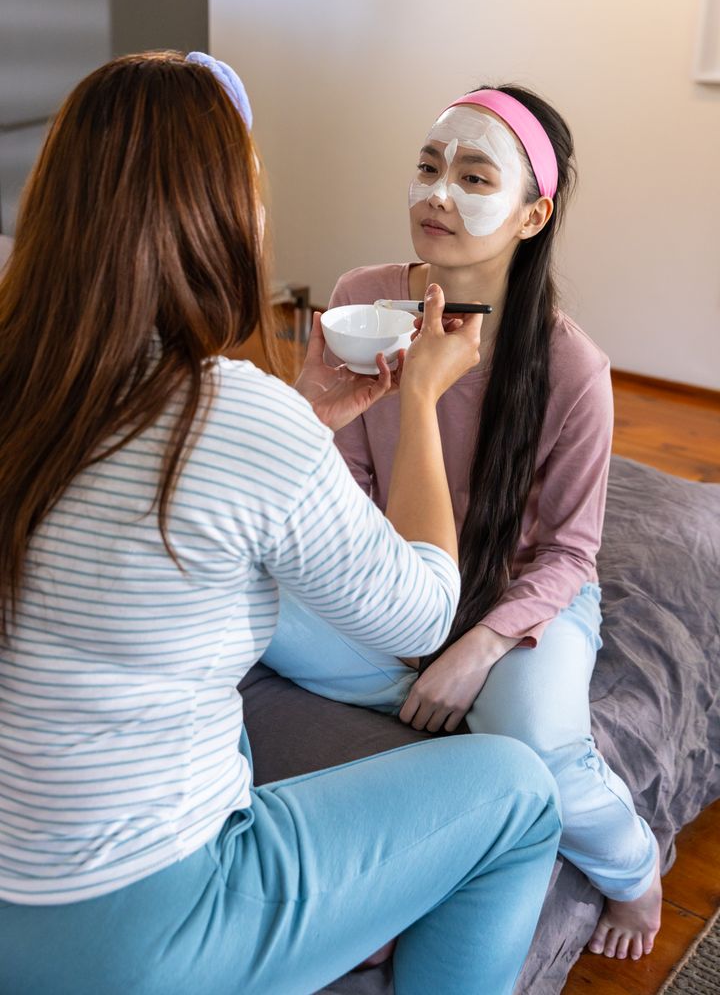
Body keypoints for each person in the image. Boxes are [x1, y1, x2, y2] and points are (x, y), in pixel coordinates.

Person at [0, 52, 562, 995]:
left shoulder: (32, 380)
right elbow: (424, 613)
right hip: (139, 933)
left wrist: (301, 418)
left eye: (473, 177)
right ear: (218, 217)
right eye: (252, 189)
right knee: (520, 792)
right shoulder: (229, 413)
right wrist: (416, 401)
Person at [263, 85, 663, 962]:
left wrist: (472, 650)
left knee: (528, 741)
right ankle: (427, 693)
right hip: (392, 569)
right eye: (427, 167)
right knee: (246, 604)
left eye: (474, 175)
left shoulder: (572, 365)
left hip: (524, 602)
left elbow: (567, 553)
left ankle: (635, 870)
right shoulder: (362, 301)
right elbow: (346, 480)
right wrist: (396, 611)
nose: (438, 194)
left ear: (531, 215)